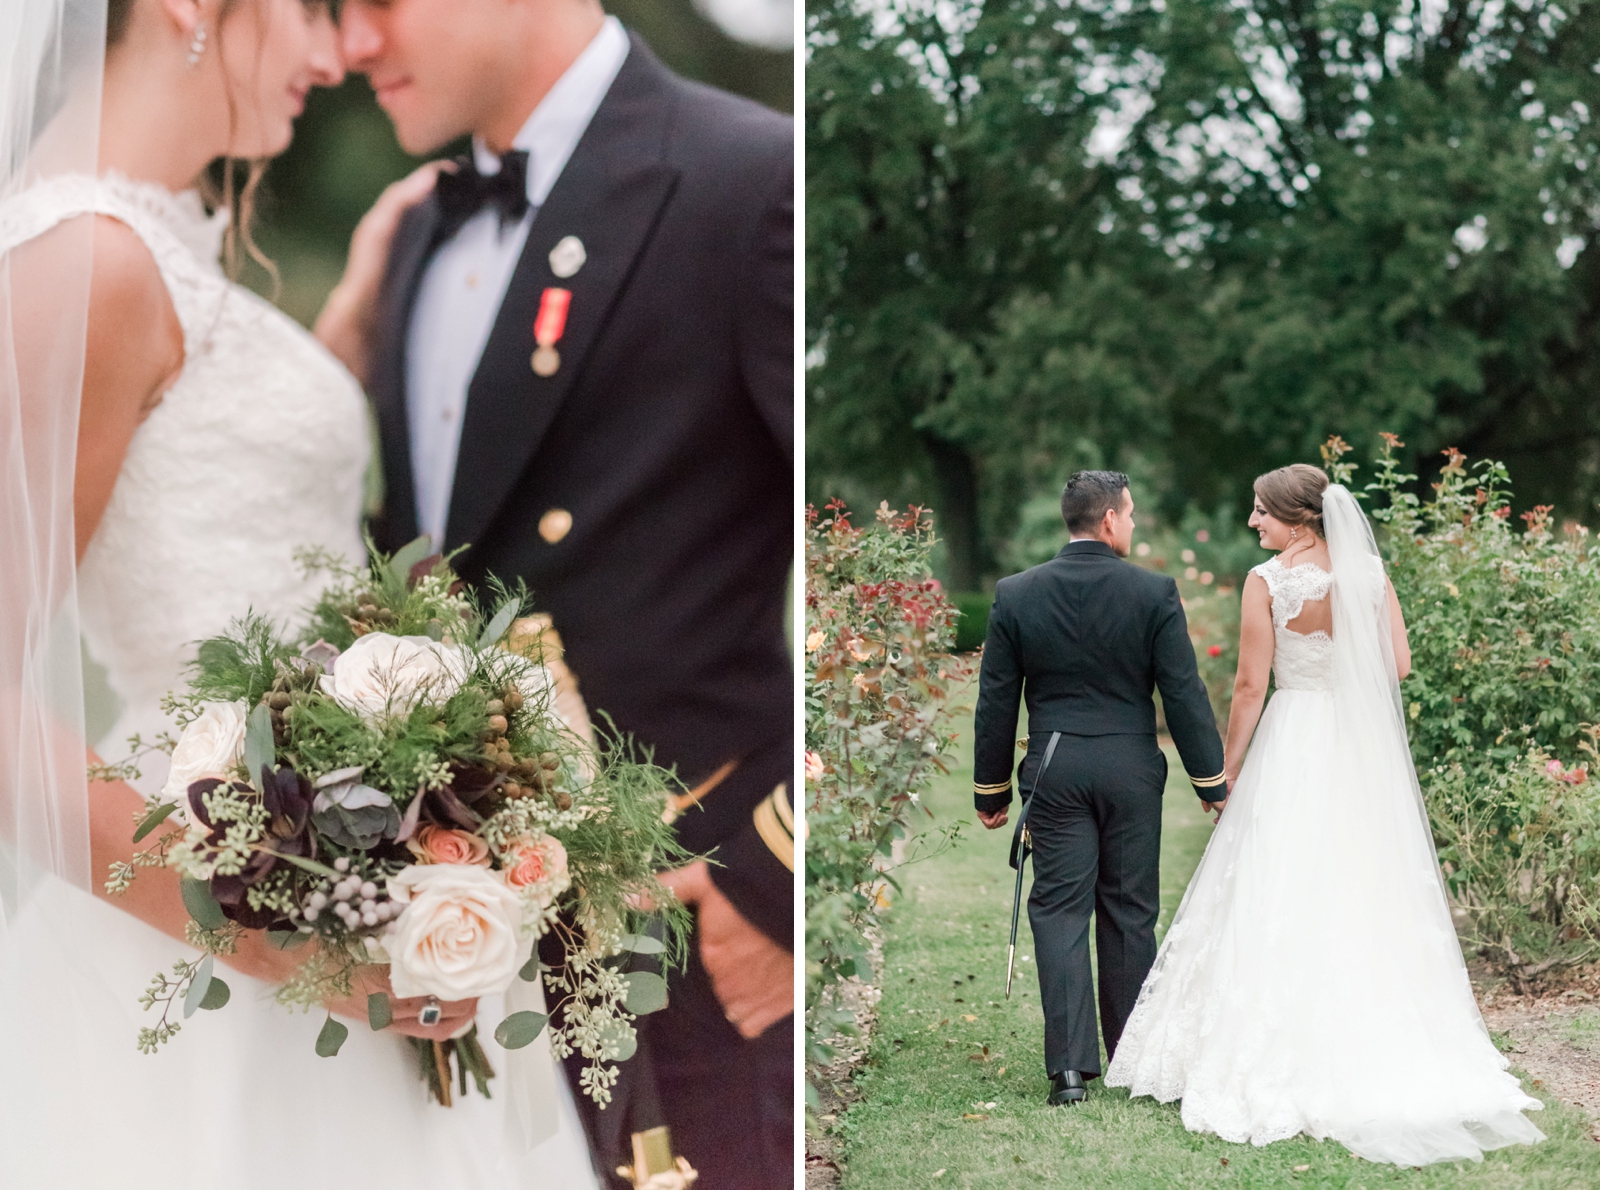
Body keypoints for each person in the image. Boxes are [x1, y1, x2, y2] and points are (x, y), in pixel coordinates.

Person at [0, 0, 595, 1183]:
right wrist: (272, 935)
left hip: (327, 855)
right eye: (316, 10)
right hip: (208, 905)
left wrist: (346, 328)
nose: (334, 58)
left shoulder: (155, 239)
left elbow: (203, 482)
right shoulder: (82, 259)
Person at [328, 2, 795, 1185]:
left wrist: (776, 879)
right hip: (460, 953)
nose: (348, 47)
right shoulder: (415, 232)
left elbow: (866, 551)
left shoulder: (753, 181)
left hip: (694, 937)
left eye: (371, 2)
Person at [1106, 464, 1546, 1165]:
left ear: (1299, 518)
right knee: (1361, 884)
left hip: (1294, 739)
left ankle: (1275, 1048)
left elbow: (1250, 685)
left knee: (1279, 882)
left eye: (1261, 512)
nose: (1253, 524)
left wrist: (1225, 770)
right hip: (1354, 748)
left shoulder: (1268, 581)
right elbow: (1396, 664)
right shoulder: (1368, 573)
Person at [973, 470, 1227, 1107]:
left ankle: (1068, 1072)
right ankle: (1132, 1058)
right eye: (1132, 514)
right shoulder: (1153, 592)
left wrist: (991, 790)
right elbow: (1184, 694)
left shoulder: (1016, 593)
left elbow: (997, 700)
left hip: (1054, 767)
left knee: (1059, 909)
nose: (1134, 525)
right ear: (1109, 520)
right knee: (1129, 910)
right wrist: (1210, 781)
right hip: (1132, 768)